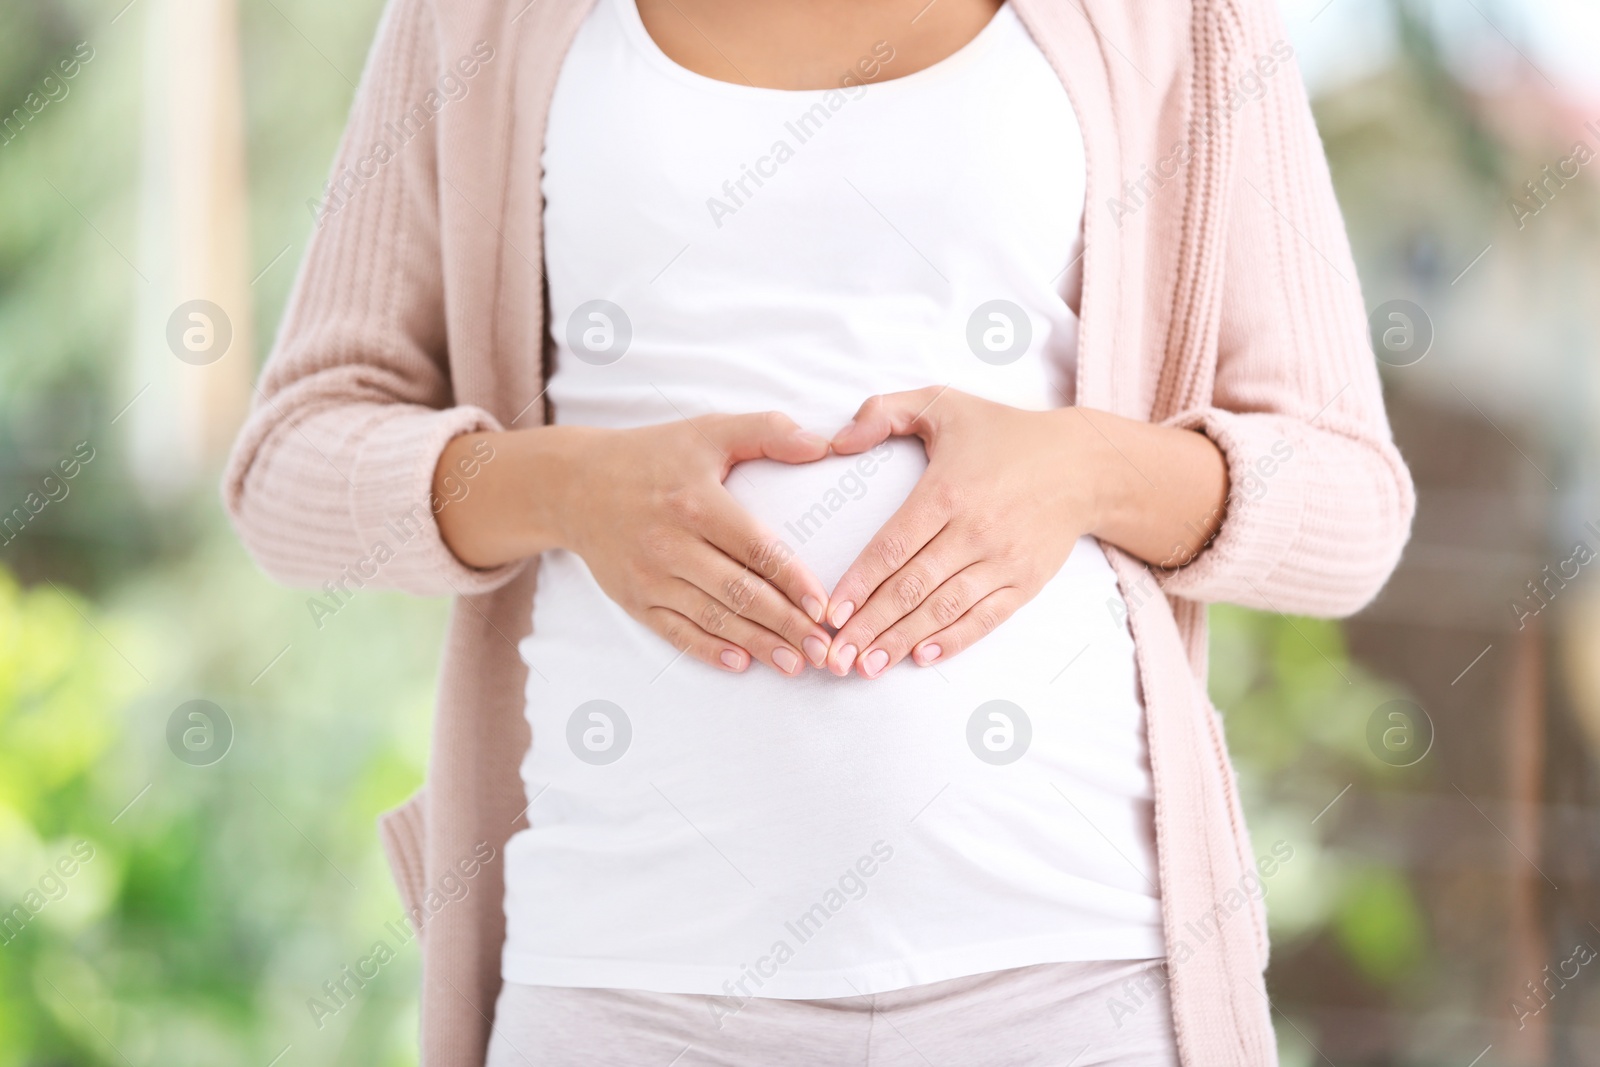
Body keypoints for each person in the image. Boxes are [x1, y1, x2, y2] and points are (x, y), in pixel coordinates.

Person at [224, 0, 1414, 1063]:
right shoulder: (480, 21)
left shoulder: (1180, 20)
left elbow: (1350, 500)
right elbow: (289, 465)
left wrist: (1085, 469)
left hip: (1072, 975)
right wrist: (564, 485)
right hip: (622, 981)